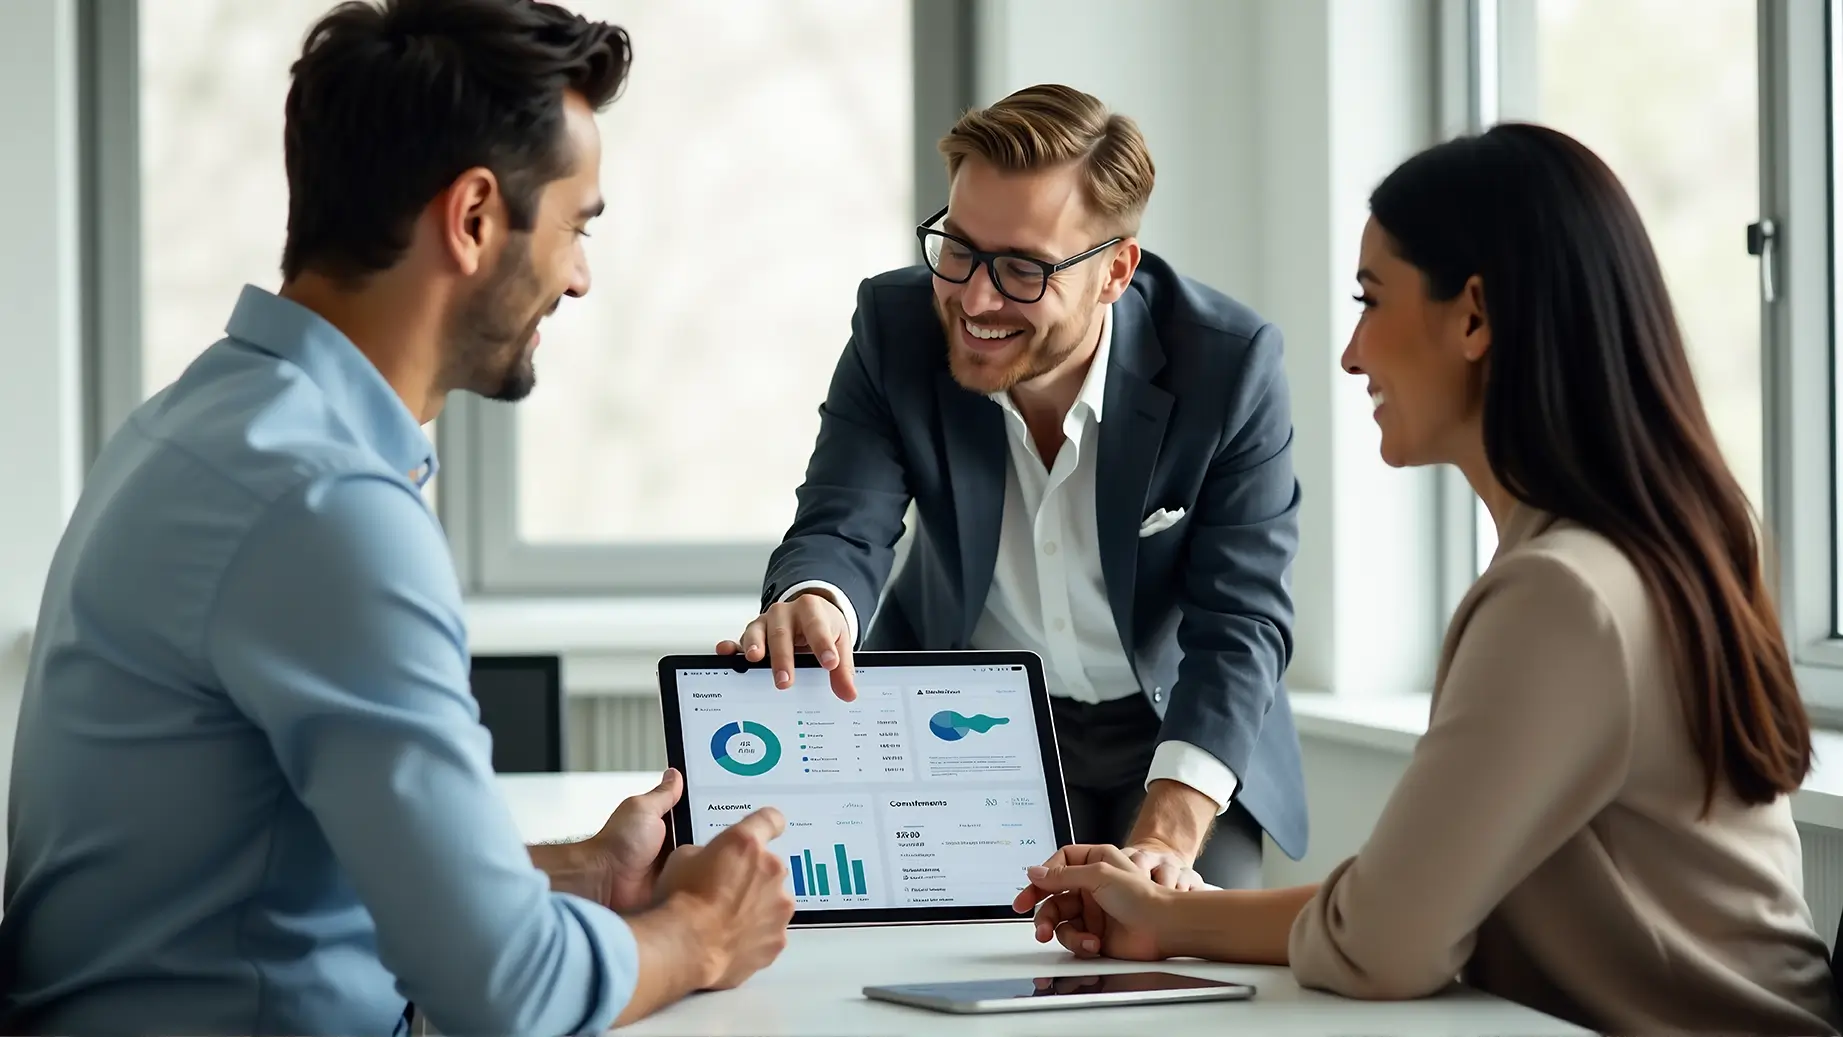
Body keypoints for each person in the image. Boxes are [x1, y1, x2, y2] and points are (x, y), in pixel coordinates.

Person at [0, 1, 795, 1034]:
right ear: (471, 219)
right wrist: (699, 934)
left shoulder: (204, 423)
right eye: (576, 225)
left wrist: (575, 871)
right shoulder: (324, 504)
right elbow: (507, 993)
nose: (581, 275)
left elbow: (278, 871)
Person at [1013, 122, 1843, 1036]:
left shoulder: (1560, 595)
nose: (1351, 354)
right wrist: (1167, 916)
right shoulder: (1642, 551)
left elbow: (1383, 943)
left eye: (1371, 300)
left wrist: (1177, 916)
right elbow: (1394, 905)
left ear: (1474, 316)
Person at [717, 84, 1306, 891]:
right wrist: (817, 597)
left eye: (1023, 269)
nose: (975, 298)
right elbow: (842, 519)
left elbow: (1240, 620)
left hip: (1178, 723)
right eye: (957, 249)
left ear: (1115, 272)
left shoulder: (1228, 365)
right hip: (972, 722)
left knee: (1188, 970)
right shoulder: (895, 327)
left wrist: (1167, 832)